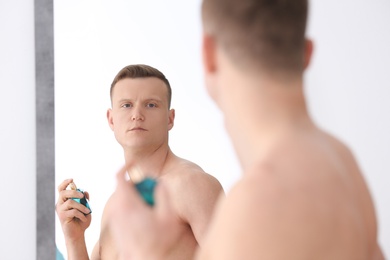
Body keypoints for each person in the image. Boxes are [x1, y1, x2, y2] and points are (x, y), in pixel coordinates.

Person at [106, 0, 386, 259]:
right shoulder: (343, 162)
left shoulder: (256, 206)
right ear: (306, 53)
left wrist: (146, 252)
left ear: (209, 55)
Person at [55, 64, 224, 259]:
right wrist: (75, 239)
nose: (137, 115)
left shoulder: (192, 185)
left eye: (151, 104)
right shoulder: (115, 205)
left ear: (170, 119)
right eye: (126, 105)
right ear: (111, 120)